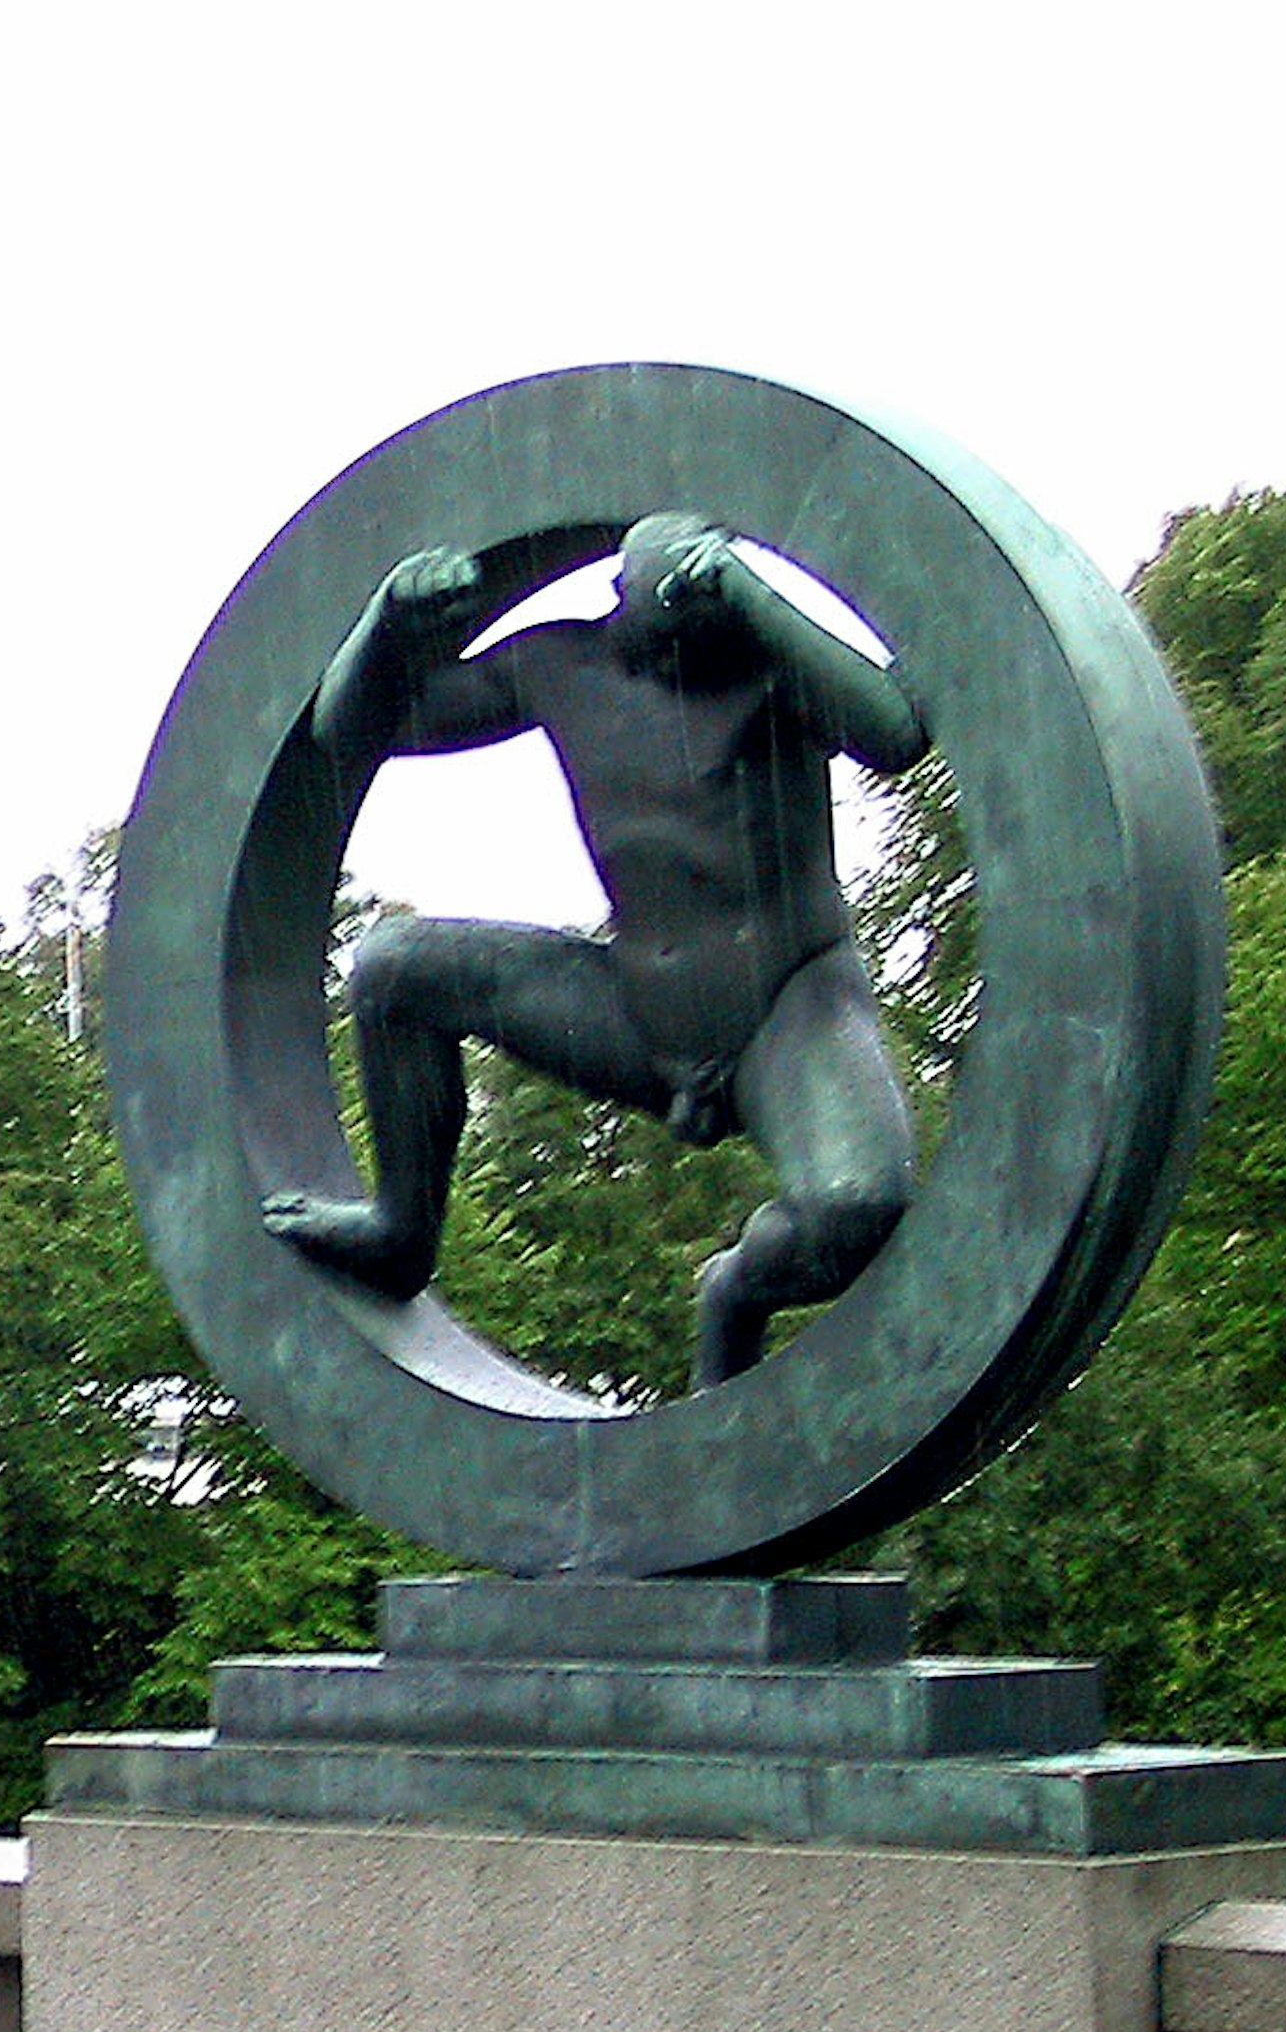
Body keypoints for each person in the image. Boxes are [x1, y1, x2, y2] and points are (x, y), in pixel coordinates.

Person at [260, 513, 932, 1386]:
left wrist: (753, 601)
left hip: (788, 1008)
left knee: (858, 1204)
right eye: (659, 631)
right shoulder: (561, 665)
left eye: (701, 624)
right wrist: (383, 624)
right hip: (634, 1011)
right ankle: (400, 1229)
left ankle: (734, 1292)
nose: (675, 658)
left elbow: (895, 733)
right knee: (392, 969)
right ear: (620, 600)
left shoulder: (771, 666)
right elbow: (357, 731)